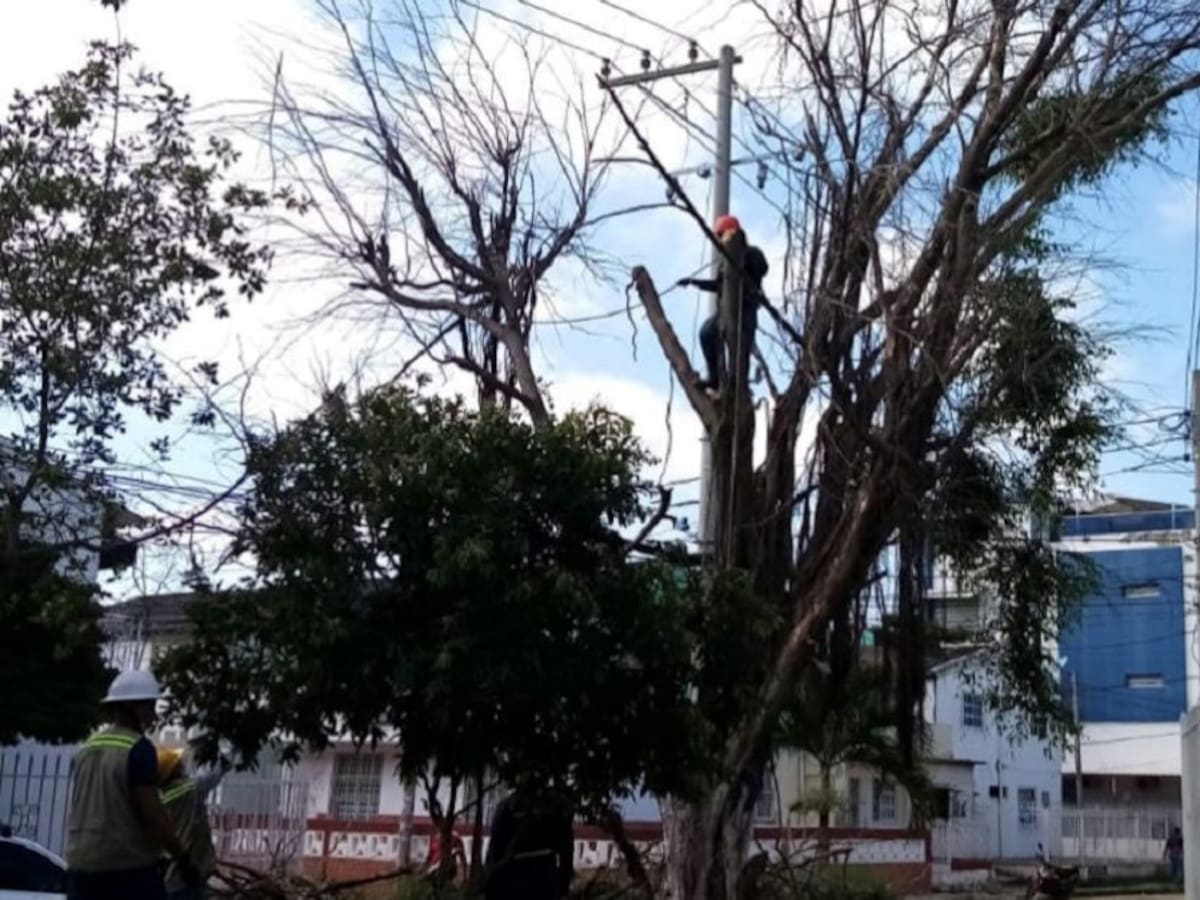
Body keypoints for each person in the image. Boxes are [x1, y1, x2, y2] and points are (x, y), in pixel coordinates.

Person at [65, 670, 203, 900]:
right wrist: (183, 858)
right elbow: (153, 816)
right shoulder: (139, 749)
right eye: (150, 708)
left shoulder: (86, 748)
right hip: (126, 869)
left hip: (79, 866)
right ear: (135, 708)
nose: (153, 717)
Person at [676, 214, 770, 392]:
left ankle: (738, 388)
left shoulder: (752, 254)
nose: (719, 240)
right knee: (706, 332)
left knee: (740, 352)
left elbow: (763, 268)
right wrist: (693, 282)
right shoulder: (725, 263)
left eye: (721, 235)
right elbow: (719, 285)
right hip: (725, 312)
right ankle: (715, 379)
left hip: (745, 312)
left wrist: (740, 258)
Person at [157, 749, 227, 900]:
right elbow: (213, 774)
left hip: (169, 874)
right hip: (189, 870)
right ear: (173, 770)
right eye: (178, 764)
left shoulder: (158, 799)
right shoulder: (190, 789)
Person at [483, 790, 573, 900]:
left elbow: (495, 851)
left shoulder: (507, 806)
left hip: (515, 879)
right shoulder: (557, 805)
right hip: (544, 879)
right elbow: (567, 853)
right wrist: (563, 886)